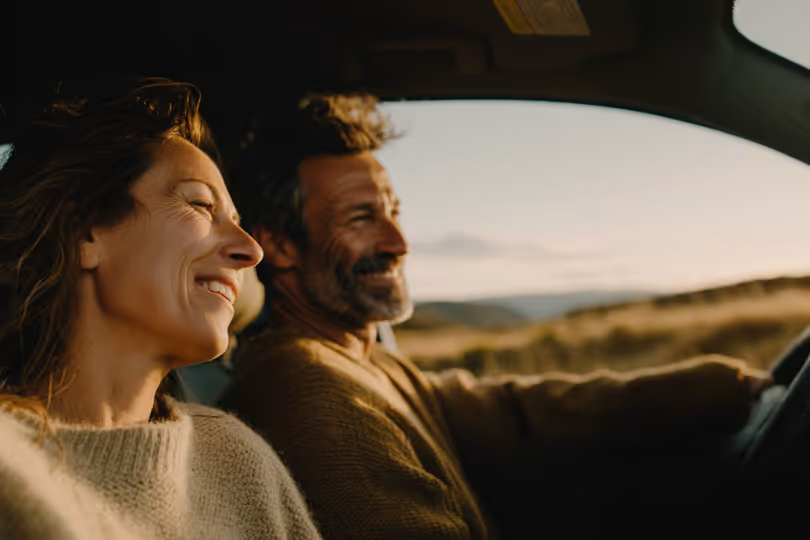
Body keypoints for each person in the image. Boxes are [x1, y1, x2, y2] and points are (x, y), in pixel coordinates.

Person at [219, 94, 773, 539]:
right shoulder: (311, 392)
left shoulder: (362, 361)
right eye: (362, 217)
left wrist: (721, 386)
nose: (398, 241)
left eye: (394, 212)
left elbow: (514, 413)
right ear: (280, 246)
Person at [0, 78, 323, 540]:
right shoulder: (10, 467)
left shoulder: (239, 458)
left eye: (237, 222)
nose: (252, 250)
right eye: (201, 205)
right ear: (84, 232)